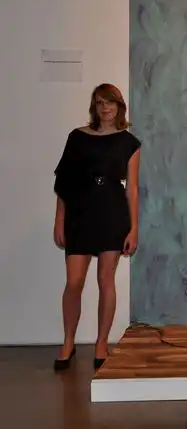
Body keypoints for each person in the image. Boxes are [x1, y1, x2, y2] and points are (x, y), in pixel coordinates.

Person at [52, 83, 142, 371]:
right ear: (94, 107)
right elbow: (64, 182)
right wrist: (60, 220)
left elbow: (132, 189)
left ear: (119, 106)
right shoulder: (77, 137)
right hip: (79, 213)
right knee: (74, 282)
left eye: (110, 102)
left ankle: (102, 343)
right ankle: (68, 342)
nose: (106, 107)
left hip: (112, 213)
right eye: (100, 102)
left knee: (106, 280)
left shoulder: (129, 143)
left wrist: (134, 228)